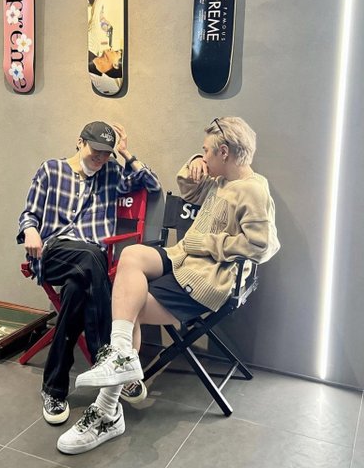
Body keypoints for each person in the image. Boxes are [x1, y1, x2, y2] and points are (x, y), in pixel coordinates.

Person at [57, 116, 281, 454]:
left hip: (205, 279)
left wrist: (209, 244)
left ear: (224, 152)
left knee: (128, 307)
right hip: (182, 259)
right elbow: (189, 188)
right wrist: (195, 163)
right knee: (132, 255)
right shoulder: (221, 179)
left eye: (207, 151)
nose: (203, 155)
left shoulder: (253, 190)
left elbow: (263, 246)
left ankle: (106, 411)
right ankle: (122, 355)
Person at [17, 121, 160, 426]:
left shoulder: (111, 172)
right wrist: (30, 230)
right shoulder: (51, 170)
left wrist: (126, 153)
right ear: (80, 142)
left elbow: (152, 185)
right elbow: (29, 213)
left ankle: (54, 388)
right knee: (91, 256)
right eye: (96, 150)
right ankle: (107, 356)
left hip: (88, 265)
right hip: (54, 252)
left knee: (76, 291)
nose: (101, 158)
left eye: (107, 153)